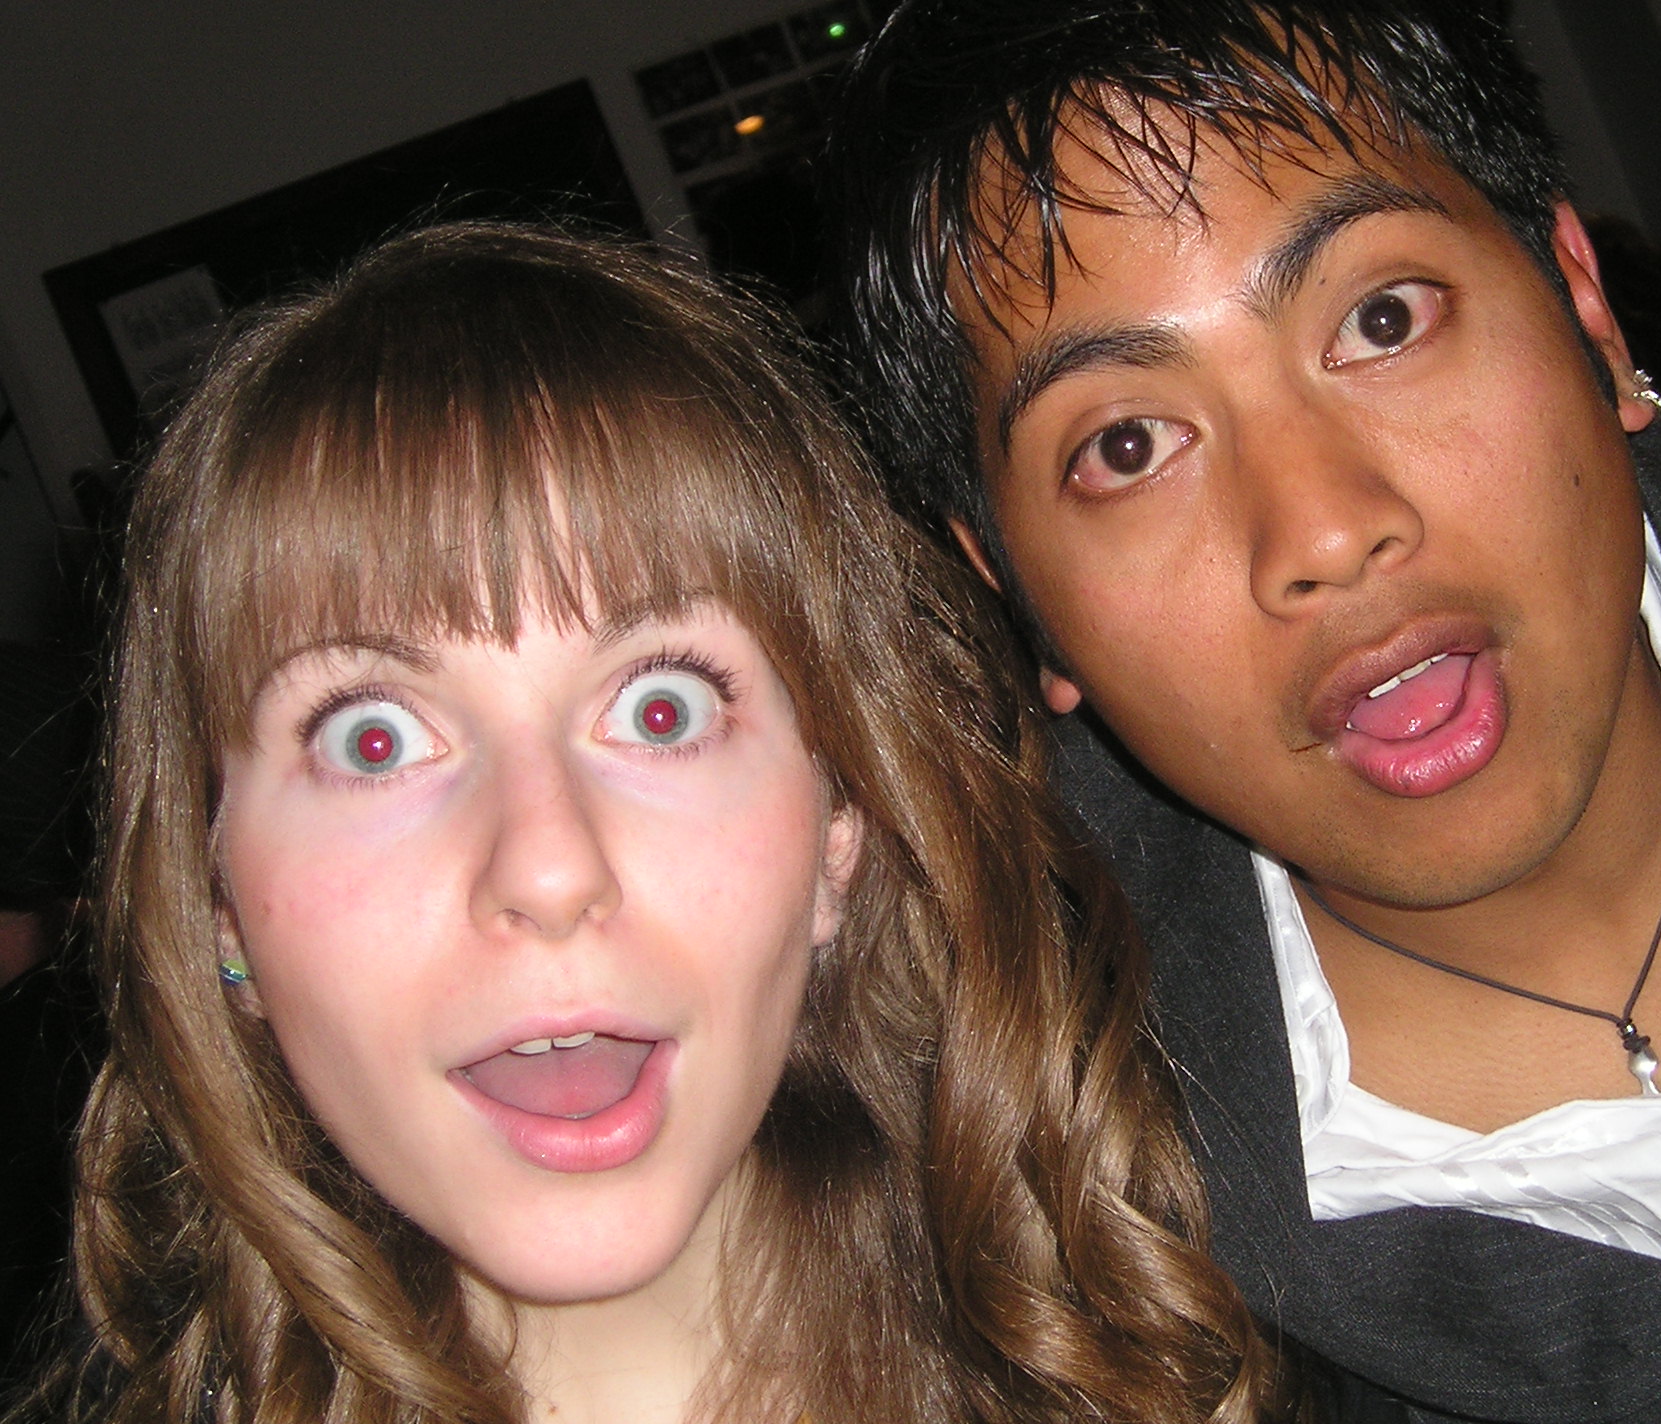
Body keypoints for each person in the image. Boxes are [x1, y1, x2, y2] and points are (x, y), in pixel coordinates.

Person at [828, 0, 1661, 1417]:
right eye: (1128, 444)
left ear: (1586, 308)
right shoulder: (1014, 1188)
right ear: (1012, 590)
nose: (1326, 530)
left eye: (1384, 319)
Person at [14, 223, 1287, 1424]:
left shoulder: (1198, 1342)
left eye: (660, 710)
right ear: (218, 903)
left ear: (837, 829)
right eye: (373, 740)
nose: (548, 867)